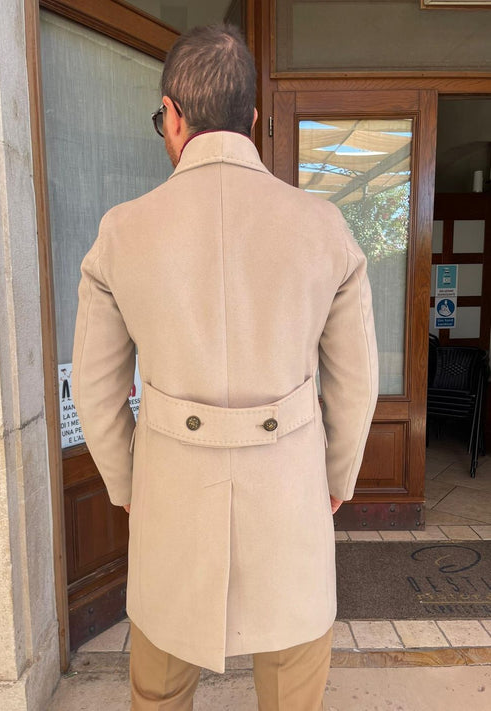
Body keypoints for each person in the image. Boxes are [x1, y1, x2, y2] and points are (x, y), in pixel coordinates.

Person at [73, 24, 378, 711]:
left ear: (173, 115)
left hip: (172, 500)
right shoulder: (324, 228)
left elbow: (94, 391)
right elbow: (355, 386)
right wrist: (335, 478)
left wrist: (128, 484)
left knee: (158, 692)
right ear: (254, 118)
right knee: (293, 693)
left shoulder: (121, 231)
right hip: (288, 497)